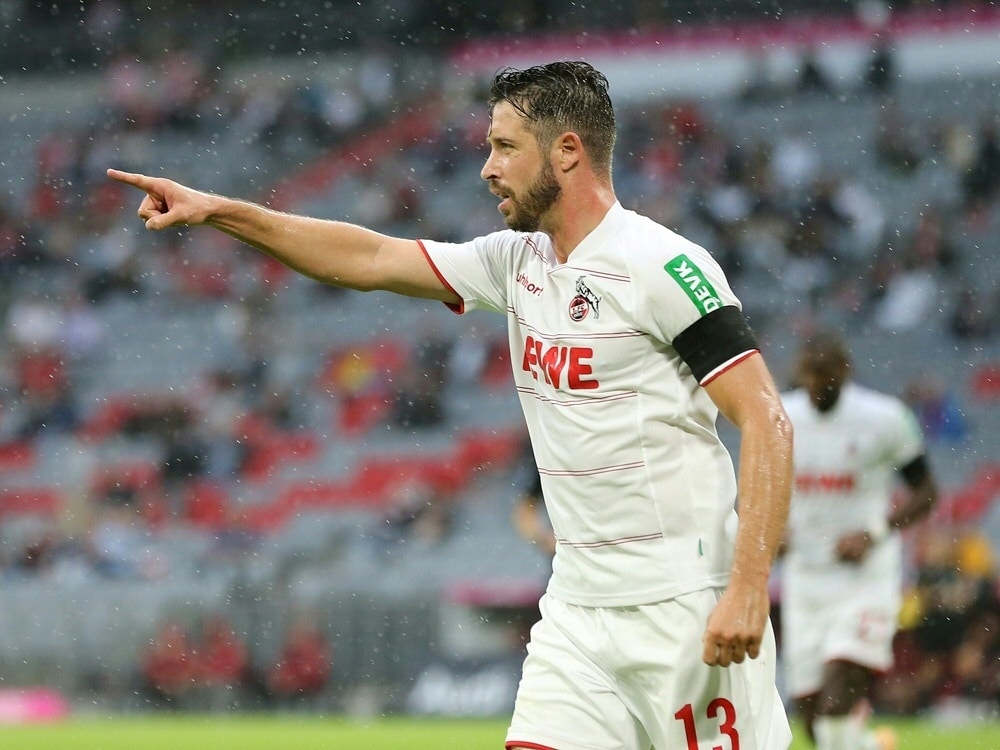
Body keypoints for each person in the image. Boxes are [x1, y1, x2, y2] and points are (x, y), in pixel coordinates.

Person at [109, 60, 794, 750]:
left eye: (505, 147)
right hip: (578, 611)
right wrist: (219, 211)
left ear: (567, 151)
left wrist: (747, 588)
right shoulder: (515, 262)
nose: (487, 168)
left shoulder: (664, 267)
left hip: (683, 603)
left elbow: (766, 420)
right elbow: (370, 258)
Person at [779, 330, 938, 750]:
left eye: (824, 373)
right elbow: (764, 482)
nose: (815, 383)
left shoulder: (884, 418)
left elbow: (926, 493)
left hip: (864, 578)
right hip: (805, 578)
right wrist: (774, 528)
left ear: (845, 370)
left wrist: (874, 533)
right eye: (809, 374)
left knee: (837, 698)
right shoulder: (781, 415)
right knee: (812, 715)